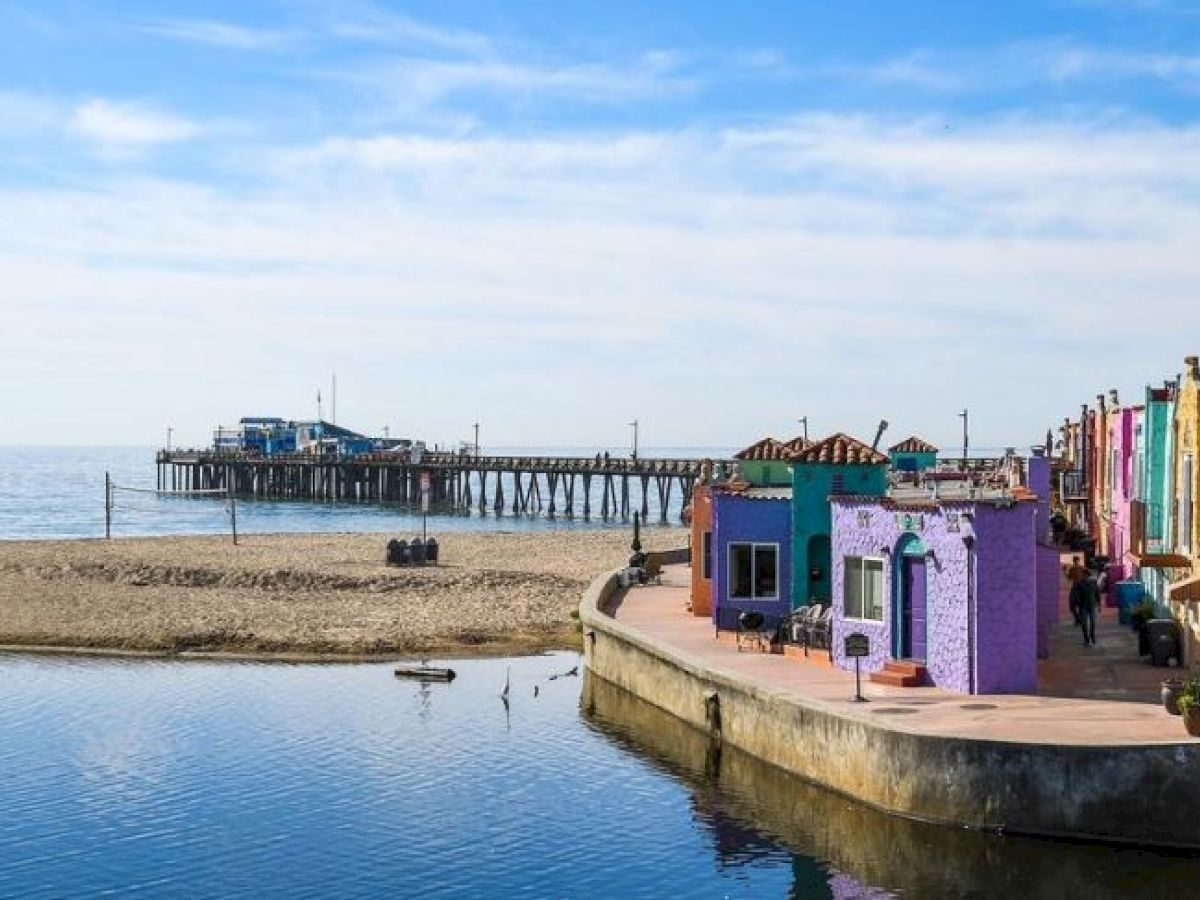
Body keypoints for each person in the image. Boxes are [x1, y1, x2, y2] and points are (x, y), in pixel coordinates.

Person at [1077, 572, 1100, 647]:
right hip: (1083, 606)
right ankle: (1086, 639)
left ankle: (1092, 637)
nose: (1087, 578)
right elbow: (1076, 595)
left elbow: (1097, 594)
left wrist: (1099, 605)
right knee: (1084, 624)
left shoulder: (1094, 583)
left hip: (1092, 606)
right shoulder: (1080, 584)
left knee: (1093, 623)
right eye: (1085, 577)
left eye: (1088, 577)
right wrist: (1077, 604)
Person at [1065, 555, 1087, 626]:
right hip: (1077, 587)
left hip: (1078, 587)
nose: (1076, 562)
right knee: (1074, 605)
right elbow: (1069, 578)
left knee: (1076, 605)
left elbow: (1068, 578)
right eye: (1075, 561)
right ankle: (1078, 619)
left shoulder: (1081, 568)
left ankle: (1079, 619)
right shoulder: (1075, 568)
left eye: (1076, 561)